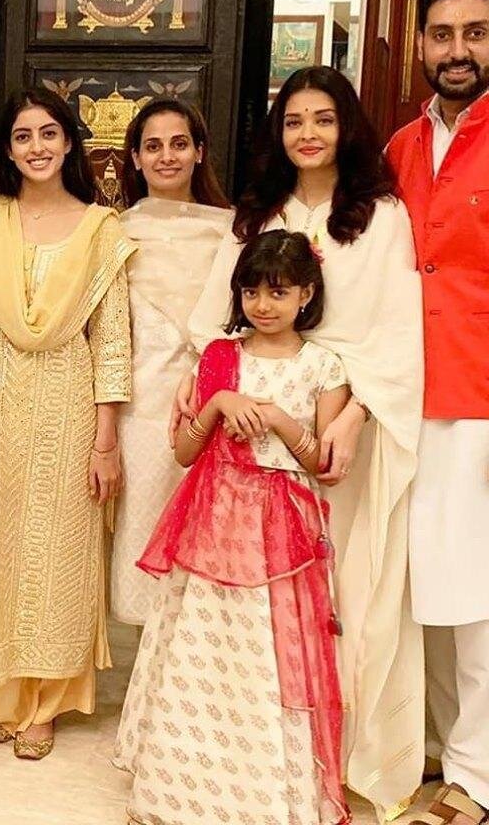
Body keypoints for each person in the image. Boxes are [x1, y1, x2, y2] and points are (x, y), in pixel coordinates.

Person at [180, 66, 425, 819]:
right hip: (254, 434)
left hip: (347, 426)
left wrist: (352, 416)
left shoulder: (381, 215)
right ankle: (255, 755)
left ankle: (338, 757)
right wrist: (203, 384)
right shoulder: (259, 212)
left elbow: (398, 331)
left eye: (323, 119)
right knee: (258, 605)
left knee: (346, 595)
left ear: (346, 127)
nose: (308, 134)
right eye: (293, 120)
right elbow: (216, 315)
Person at [116, 230, 351, 825]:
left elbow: (325, 467)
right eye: (251, 292)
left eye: (279, 292)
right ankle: (178, 789)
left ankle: (259, 797)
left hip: (282, 535)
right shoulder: (221, 356)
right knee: (200, 651)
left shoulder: (323, 367)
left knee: (265, 660)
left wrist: (277, 419)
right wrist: (219, 403)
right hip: (214, 525)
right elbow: (184, 454)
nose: (263, 305)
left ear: (306, 294)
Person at [0, 87, 134, 760]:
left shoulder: (101, 229)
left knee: (60, 554)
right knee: (2, 549)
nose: (36, 147)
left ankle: (49, 702)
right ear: (8, 150)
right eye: (22, 136)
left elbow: (113, 341)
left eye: (48, 134)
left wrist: (105, 441)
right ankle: (5, 696)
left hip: (68, 410)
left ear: (69, 141)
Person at [387, 0, 489, 825]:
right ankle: (431, 744)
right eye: (444, 34)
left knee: (477, 595)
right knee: (417, 585)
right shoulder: (399, 148)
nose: (458, 51)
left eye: (476, 34)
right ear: (421, 44)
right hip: (403, 395)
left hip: (478, 396)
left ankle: (479, 775)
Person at [110, 97, 232, 627]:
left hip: (212, 404)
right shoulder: (115, 232)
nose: (166, 157)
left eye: (179, 144)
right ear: (135, 158)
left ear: (199, 152)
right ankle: (146, 667)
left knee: (209, 545)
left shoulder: (232, 232)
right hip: (141, 408)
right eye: (153, 146)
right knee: (143, 545)